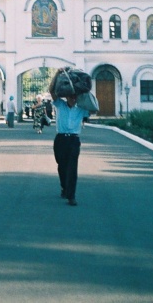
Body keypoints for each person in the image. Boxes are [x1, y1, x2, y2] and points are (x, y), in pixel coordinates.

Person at [49, 70, 90, 206]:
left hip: (73, 140)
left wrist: (84, 91)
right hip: (60, 139)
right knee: (62, 166)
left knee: (72, 167)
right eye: (70, 96)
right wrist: (57, 74)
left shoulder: (81, 109)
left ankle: (71, 196)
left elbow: (94, 106)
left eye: (74, 96)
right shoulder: (60, 104)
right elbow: (52, 91)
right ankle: (64, 188)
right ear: (66, 97)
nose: (72, 98)